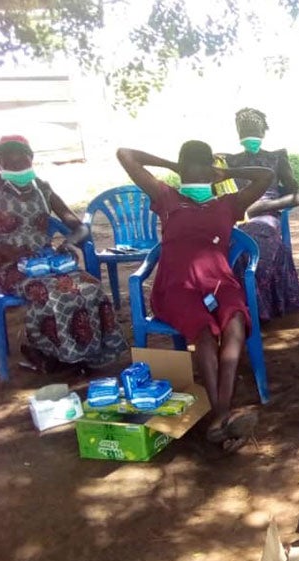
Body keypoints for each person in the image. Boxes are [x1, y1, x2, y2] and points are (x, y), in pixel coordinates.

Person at [116, 142, 274, 453]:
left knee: (235, 323)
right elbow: (126, 155)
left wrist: (227, 172)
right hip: (178, 286)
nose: (198, 176)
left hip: (219, 284)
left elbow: (266, 176)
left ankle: (221, 415)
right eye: (192, 168)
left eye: (204, 169)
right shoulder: (166, 197)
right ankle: (222, 415)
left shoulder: (228, 203)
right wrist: (174, 165)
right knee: (203, 334)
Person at [0, 134, 126, 373]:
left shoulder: (42, 189)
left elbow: (79, 226)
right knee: (54, 292)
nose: (19, 169)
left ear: (31, 160)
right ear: (0, 164)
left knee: (90, 286)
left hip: (47, 261)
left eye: (23, 163)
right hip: (10, 266)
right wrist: (9, 251)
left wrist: (68, 242)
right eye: (12, 165)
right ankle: (56, 353)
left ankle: (92, 353)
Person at [221, 107, 299, 321]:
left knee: (252, 245)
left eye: (254, 132)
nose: (249, 137)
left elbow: (296, 197)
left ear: (263, 133)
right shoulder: (230, 161)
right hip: (237, 214)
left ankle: (258, 309)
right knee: (224, 245)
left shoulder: (276, 158)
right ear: (238, 135)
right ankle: (237, 307)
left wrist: (262, 207)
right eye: (245, 132)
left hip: (265, 214)